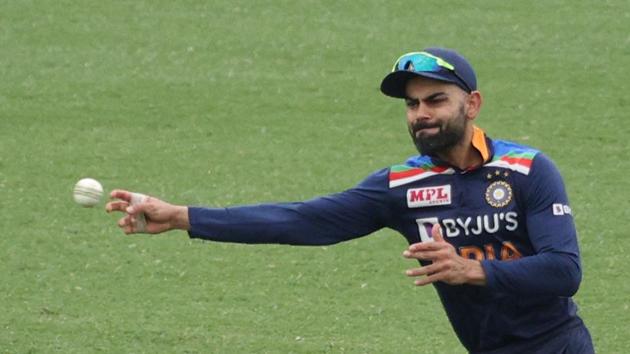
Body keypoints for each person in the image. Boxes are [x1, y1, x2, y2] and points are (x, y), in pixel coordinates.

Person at [106, 47, 594, 353]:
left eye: (435, 100)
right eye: (411, 104)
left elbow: (564, 271)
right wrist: (182, 217)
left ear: (472, 104)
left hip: (557, 346)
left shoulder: (528, 170)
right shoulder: (401, 186)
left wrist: (472, 270)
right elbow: (299, 221)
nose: (420, 114)